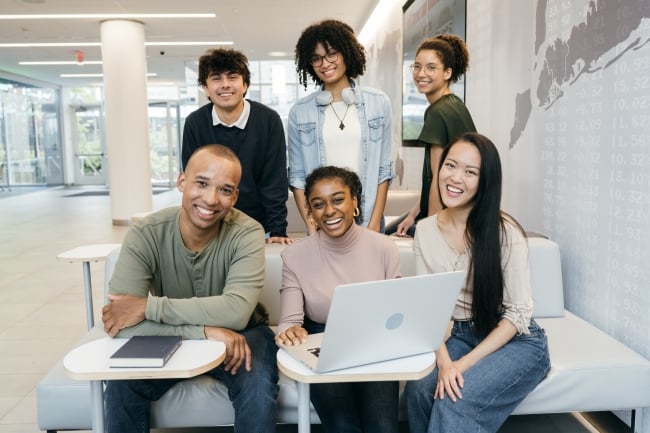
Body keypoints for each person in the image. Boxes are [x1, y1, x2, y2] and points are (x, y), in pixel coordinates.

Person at [102, 144, 279, 433]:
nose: (210, 199)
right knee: (123, 382)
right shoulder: (146, 233)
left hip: (242, 333)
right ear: (182, 181)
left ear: (234, 196)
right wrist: (205, 332)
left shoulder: (248, 232)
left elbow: (235, 313)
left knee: (257, 385)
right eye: (201, 183)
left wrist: (148, 307)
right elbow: (119, 323)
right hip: (174, 335)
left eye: (225, 190)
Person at [403, 133, 550, 433]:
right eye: (451, 166)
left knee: (454, 400)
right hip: (463, 333)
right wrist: (445, 362)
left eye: (470, 172)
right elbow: (426, 306)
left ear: (485, 181)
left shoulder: (505, 232)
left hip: (518, 340)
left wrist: (461, 365)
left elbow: (517, 315)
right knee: (418, 391)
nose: (456, 178)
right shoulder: (425, 231)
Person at [276, 166, 400, 433]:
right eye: (318, 204)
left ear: (354, 200)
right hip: (321, 340)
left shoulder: (384, 247)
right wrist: (291, 331)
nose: (329, 211)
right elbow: (288, 323)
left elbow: (398, 311)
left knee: (383, 427)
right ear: (310, 211)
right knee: (343, 427)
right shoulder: (294, 256)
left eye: (338, 199)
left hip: (375, 342)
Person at [288, 19, 393, 234]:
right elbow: (297, 178)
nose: (325, 64)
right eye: (316, 58)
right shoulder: (300, 112)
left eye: (332, 54)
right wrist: (313, 226)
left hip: (366, 220)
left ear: (347, 52)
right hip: (323, 222)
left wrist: (373, 226)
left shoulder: (378, 103)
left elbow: (383, 171)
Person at [182, 48, 291, 244]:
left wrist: (278, 230)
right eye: (216, 78)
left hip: (259, 227)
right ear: (205, 88)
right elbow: (194, 182)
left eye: (232, 77)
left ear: (245, 84)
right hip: (209, 225)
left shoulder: (268, 120)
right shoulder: (195, 123)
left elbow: (275, 181)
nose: (225, 85)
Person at [391, 34, 476, 237]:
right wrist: (414, 213)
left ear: (448, 72)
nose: (421, 73)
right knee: (393, 228)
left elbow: (440, 177)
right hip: (463, 208)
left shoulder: (438, 112)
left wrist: (430, 231)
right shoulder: (453, 105)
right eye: (417, 66)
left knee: (380, 239)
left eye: (431, 67)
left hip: (453, 214)